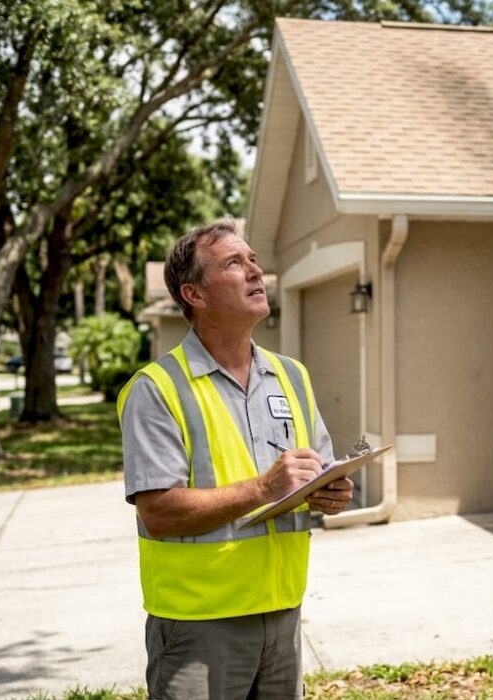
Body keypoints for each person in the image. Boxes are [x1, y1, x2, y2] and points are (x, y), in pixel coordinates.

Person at [118, 219, 354, 699]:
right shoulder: (157, 389)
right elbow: (158, 512)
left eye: (253, 260)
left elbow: (314, 475)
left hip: (283, 612)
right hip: (199, 626)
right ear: (194, 294)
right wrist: (264, 488)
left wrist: (331, 492)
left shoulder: (292, 376)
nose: (255, 272)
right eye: (233, 263)